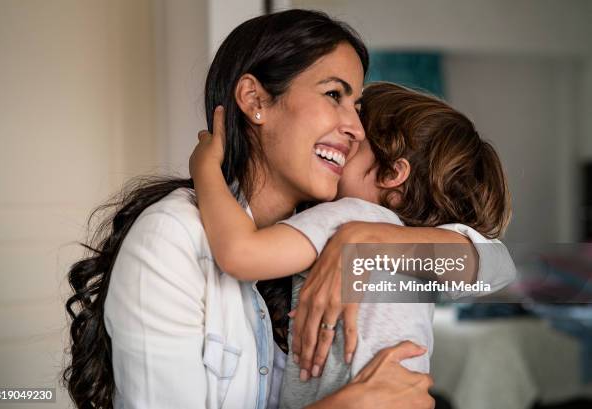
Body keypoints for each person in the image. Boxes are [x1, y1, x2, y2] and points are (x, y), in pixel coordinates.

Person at [63, 9, 504, 409]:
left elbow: (498, 266)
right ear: (255, 101)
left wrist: (373, 239)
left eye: (356, 107)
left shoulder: (339, 231)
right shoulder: (171, 236)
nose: (353, 128)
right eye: (335, 95)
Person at [189, 82, 515, 407]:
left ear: (392, 173)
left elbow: (241, 254)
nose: (346, 136)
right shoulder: (413, 256)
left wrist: (205, 169)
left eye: (357, 138)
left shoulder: (351, 216)